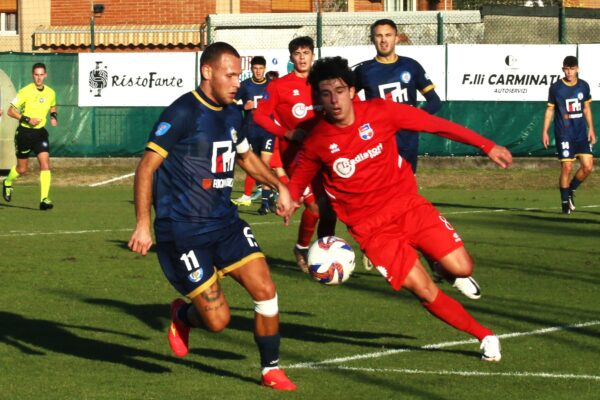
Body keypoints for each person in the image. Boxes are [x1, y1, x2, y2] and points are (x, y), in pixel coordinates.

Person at [281, 56, 513, 361]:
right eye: (325, 94)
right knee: (423, 290)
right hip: (372, 231)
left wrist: (486, 145)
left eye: (339, 90)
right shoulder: (318, 141)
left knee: (462, 267)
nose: (334, 100)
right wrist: (289, 198)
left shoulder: (381, 112)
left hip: (408, 207)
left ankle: (443, 266)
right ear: (319, 99)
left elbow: (436, 125)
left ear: (352, 90)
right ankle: (484, 336)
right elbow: (299, 180)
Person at [127, 42, 296, 391]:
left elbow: (246, 158)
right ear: (208, 72)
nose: (238, 82)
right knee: (218, 322)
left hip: (225, 223)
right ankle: (182, 314)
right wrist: (143, 224)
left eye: (240, 75)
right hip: (183, 230)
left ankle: (271, 370)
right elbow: (146, 168)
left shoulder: (234, 113)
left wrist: (278, 185)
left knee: (265, 288)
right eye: (230, 75)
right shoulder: (183, 112)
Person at [254, 36, 336, 272]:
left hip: (326, 156)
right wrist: (285, 133)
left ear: (313, 55)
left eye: (306, 52)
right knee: (315, 208)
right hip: (297, 160)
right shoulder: (279, 86)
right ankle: (301, 248)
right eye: (297, 53)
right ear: (291, 57)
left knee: (330, 211)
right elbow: (259, 116)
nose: (302, 57)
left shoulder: (323, 82)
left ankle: (325, 252)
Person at [354, 18, 442, 174]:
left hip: (408, 140)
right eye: (378, 35)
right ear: (372, 39)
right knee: (380, 189)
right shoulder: (363, 70)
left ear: (397, 38)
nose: (383, 40)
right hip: (378, 141)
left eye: (388, 35)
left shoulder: (411, 66)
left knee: (407, 189)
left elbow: (435, 101)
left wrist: (417, 117)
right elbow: (347, 99)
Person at [541, 55, 596, 214]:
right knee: (567, 167)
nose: (569, 72)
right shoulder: (556, 88)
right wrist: (544, 131)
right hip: (564, 133)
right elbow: (550, 109)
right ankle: (565, 202)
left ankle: (570, 190)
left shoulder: (584, 86)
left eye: (572, 69)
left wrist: (591, 128)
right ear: (563, 69)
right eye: (566, 69)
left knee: (588, 167)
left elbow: (586, 108)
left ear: (577, 69)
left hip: (580, 133)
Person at [2, 63, 57, 210]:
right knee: (22, 170)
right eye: (36, 75)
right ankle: (7, 181)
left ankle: (44, 199)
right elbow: (10, 111)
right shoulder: (25, 92)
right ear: (33, 75)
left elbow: (52, 105)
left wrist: (53, 116)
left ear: (45, 75)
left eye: (41, 75)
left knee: (45, 164)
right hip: (25, 134)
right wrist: (27, 119)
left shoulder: (50, 92)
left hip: (40, 134)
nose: (39, 78)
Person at [231, 56, 279, 214]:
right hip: (250, 131)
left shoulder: (272, 86)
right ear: (251, 69)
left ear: (265, 69)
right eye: (255, 68)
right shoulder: (245, 86)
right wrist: (243, 106)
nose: (258, 71)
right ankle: (270, 195)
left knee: (264, 165)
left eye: (261, 68)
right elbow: (232, 104)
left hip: (267, 131)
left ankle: (264, 203)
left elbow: (278, 104)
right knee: (254, 167)